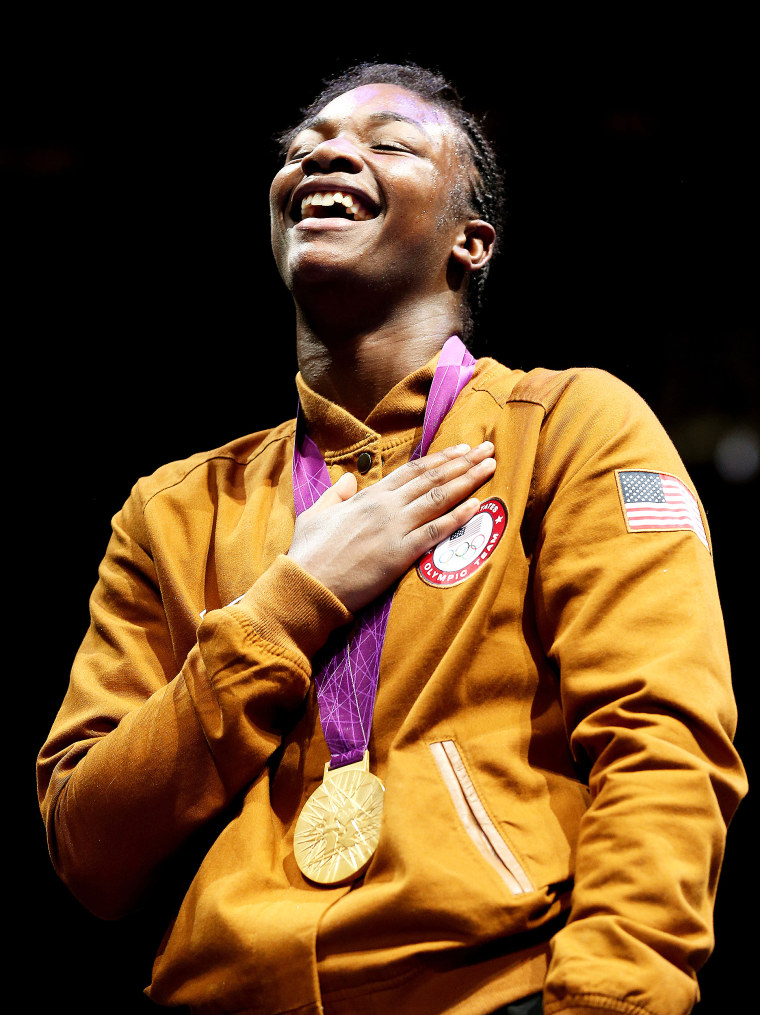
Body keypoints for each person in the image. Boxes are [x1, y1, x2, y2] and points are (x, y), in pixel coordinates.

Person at [37, 62, 746, 1015]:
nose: (326, 151)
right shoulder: (174, 509)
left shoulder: (569, 426)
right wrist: (289, 603)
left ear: (472, 241)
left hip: (497, 989)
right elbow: (89, 850)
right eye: (303, 147)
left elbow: (660, 742)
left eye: (387, 143)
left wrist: (615, 1000)